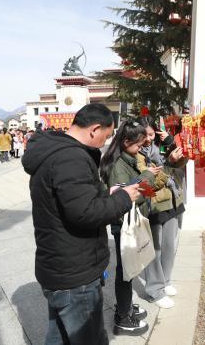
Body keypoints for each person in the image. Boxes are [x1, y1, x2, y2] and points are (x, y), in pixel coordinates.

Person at [23, 104, 142, 345]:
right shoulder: (71, 158)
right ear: (94, 129)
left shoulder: (57, 151)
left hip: (60, 266)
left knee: (59, 336)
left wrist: (107, 192)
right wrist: (123, 198)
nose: (106, 141)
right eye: (106, 136)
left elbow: (75, 199)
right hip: (74, 273)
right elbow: (85, 213)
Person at [99, 119, 160, 336]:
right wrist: (148, 177)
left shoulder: (128, 159)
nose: (142, 148)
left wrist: (148, 177)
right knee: (125, 271)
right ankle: (123, 317)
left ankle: (124, 307)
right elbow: (129, 198)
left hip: (128, 222)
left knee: (129, 269)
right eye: (139, 144)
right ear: (126, 142)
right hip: (123, 224)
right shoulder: (118, 166)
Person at [137, 118, 187, 309]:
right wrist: (169, 162)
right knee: (154, 251)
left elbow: (181, 162)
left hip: (172, 201)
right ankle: (154, 290)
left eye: (151, 134)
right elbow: (151, 180)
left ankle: (165, 281)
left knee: (169, 246)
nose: (149, 139)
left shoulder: (162, 146)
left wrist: (171, 143)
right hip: (154, 204)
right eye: (144, 136)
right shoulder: (138, 154)